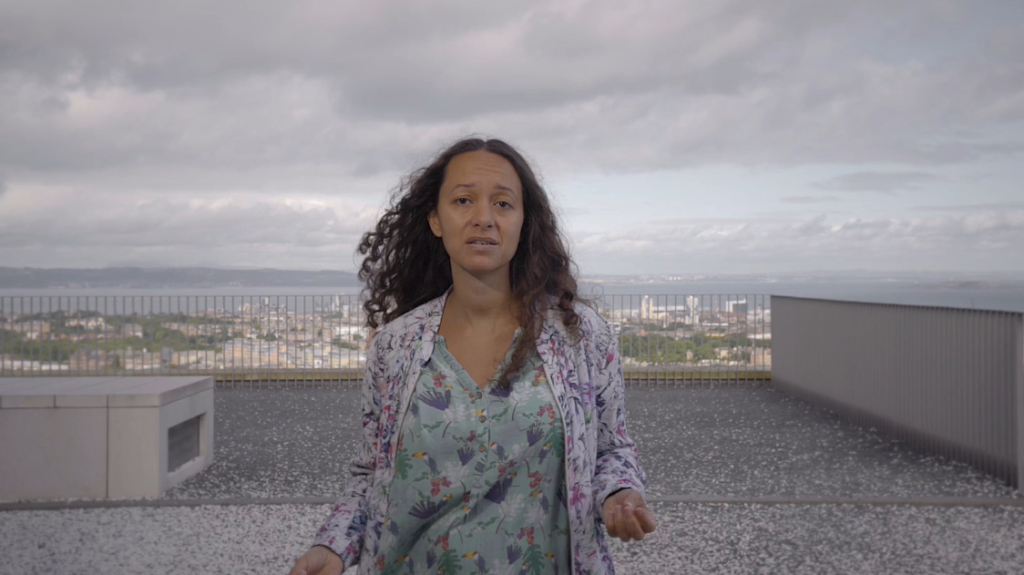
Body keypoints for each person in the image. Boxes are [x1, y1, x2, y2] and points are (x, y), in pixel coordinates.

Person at [289, 137, 655, 575]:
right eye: (463, 200)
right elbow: (371, 475)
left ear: (524, 222)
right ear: (436, 219)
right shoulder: (396, 346)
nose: (484, 218)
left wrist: (620, 494)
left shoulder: (582, 337)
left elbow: (611, 450)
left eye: (503, 204)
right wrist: (333, 547)